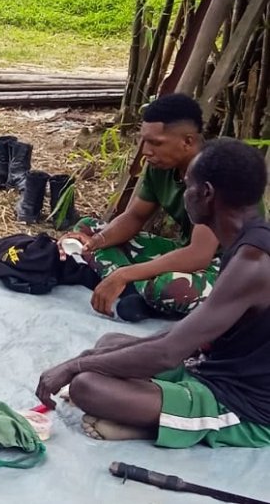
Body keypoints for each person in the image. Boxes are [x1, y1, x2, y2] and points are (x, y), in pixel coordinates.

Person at [36, 138, 270, 449]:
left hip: (247, 408)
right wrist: (91, 358)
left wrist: (76, 366)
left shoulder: (253, 264)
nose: (184, 194)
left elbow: (168, 352)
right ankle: (158, 416)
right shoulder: (246, 245)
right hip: (211, 369)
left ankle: (158, 425)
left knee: (87, 387)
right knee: (108, 344)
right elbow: (187, 336)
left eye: (187, 185)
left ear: (206, 194)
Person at [58, 94, 219, 321]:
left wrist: (125, 273)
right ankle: (139, 293)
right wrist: (97, 241)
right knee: (87, 230)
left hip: (227, 268)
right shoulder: (161, 167)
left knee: (170, 287)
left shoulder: (215, 175)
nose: (146, 151)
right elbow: (134, 216)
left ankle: (132, 288)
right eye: (144, 140)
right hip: (185, 251)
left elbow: (199, 255)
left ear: (188, 142)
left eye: (156, 142)